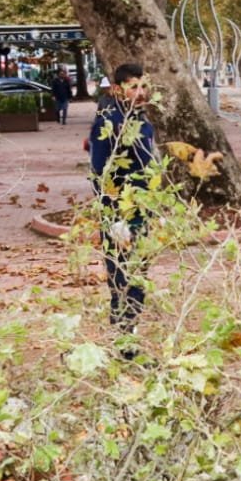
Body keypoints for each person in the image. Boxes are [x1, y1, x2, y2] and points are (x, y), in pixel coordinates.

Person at [88, 63, 156, 343]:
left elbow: (147, 166)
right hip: (118, 213)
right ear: (118, 89)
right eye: (133, 87)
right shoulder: (108, 121)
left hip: (141, 209)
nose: (140, 92)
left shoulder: (140, 119)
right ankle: (123, 338)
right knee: (121, 277)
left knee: (139, 273)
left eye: (143, 86)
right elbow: (100, 172)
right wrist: (113, 217)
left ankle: (131, 332)